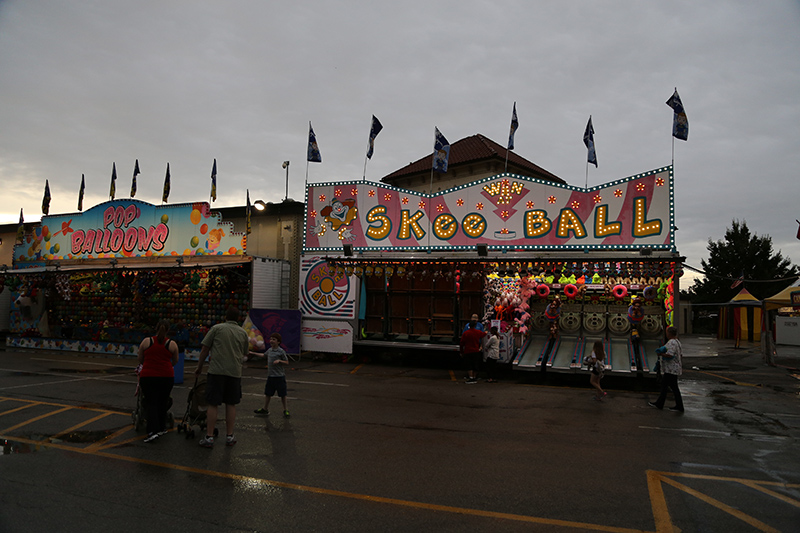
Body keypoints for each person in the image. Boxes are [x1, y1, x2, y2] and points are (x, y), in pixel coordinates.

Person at [195, 306, 249, 447]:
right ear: (238, 318)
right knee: (231, 403)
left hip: (217, 371)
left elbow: (205, 349)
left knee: (213, 404)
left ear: (226, 316)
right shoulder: (243, 333)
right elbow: (245, 352)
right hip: (234, 372)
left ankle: (209, 436)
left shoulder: (216, 329)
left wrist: (199, 367)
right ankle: (230, 436)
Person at [137, 319, 179, 443]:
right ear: (168, 330)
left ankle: (152, 430)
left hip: (149, 376)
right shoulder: (172, 344)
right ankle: (161, 427)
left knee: (151, 403)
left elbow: (140, 359)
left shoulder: (146, 341)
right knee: (162, 401)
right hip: (166, 377)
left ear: (156, 328)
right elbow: (175, 361)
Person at [254, 332, 291, 418]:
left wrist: (279, 361)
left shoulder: (281, 351)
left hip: (279, 377)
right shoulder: (270, 350)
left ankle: (286, 410)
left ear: (278, 342)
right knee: (268, 394)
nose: (271, 341)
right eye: (271, 339)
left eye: (274, 339)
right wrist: (253, 353)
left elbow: (287, 362)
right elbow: (264, 355)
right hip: (271, 377)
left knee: (282, 394)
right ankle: (265, 409)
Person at [649, 326, 684, 412]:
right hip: (675, 368)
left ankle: (661, 404)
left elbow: (670, 355)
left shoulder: (672, 342)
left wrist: (661, 354)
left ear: (669, 333)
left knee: (668, 386)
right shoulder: (678, 342)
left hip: (670, 369)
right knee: (669, 386)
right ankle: (665, 404)